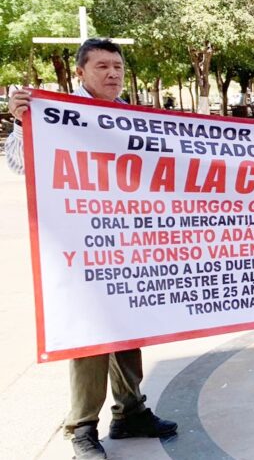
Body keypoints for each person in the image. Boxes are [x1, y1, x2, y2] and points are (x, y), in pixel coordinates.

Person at [5, 39, 178, 460]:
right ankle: (82, 426)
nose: (113, 73)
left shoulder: (130, 117)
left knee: (129, 330)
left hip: (128, 243)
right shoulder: (55, 114)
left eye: (117, 66)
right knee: (90, 336)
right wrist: (23, 123)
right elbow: (20, 164)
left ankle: (130, 411)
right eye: (102, 66)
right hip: (82, 247)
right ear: (80, 72)